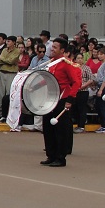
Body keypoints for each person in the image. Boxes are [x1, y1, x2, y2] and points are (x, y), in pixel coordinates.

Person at [41, 38, 79, 168]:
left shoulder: (66, 64)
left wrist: (70, 99)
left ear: (62, 50)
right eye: (52, 47)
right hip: (49, 99)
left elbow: (76, 82)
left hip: (62, 99)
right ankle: (51, 155)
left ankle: (60, 157)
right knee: (48, 127)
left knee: (60, 130)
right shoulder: (51, 63)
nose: (52, 49)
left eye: (55, 47)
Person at [0, 35, 20, 122]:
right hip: (2, 72)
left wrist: (4, 59)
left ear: (14, 42)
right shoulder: (4, 50)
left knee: (9, 94)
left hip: (11, 73)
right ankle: (0, 115)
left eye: (9, 41)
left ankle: (9, 114)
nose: (7, 43)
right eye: (7, 41)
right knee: (0, 94)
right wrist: (6, 60)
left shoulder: (17, 51)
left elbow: (11, 61)